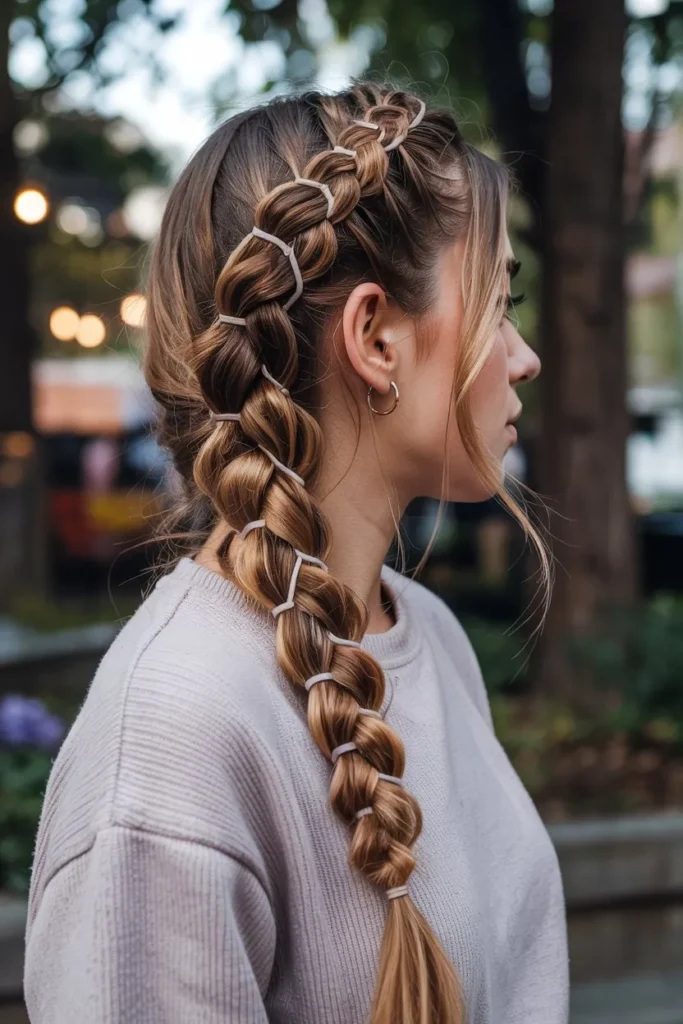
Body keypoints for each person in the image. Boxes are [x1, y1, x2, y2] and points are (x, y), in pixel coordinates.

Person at [24, 84, 568, 1024]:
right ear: (373, 338)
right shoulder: (174, 748)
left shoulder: (426, 635)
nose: (521, 356)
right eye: (498, 301)